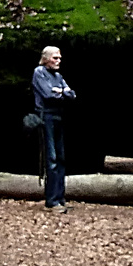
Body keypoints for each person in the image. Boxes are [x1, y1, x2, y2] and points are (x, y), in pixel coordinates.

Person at [31, 44, 76, 211]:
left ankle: (60, 198)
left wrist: (61, 92)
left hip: (58, 117)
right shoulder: (39, 73)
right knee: (51, 159)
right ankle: (51, 201)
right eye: (55, 57)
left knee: (61, 158)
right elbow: (48, 95)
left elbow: (72, 95)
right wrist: (61, 92)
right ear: (46, 59)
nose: (58, 61)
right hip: (46, 117)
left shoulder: (58, 76)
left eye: (60, 58)